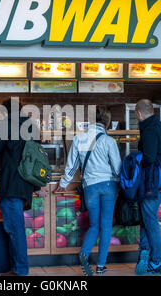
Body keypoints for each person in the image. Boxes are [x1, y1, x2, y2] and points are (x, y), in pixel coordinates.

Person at [0, 98, 46, 276]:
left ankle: (21, 270)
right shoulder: (32, 126)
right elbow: (36, 157)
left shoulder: (5, 125)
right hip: (26, 184)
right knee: (15, 229)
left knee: (15, 230)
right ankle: (16, 268)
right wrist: (36, 186)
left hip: (11, 183)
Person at [54, 106, 121, 276]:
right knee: (105, 226)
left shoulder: (79, 138)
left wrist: (63, 183)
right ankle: (100, 266)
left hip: (89, 187)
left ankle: (84, 254)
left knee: (94, 225)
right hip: (108, 186)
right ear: (106, 123)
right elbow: (118, 168)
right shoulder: (109, 141)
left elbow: (71, 166)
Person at [134, 99, 161, 275]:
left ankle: (157, 262)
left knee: (150, 220)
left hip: (153, 183)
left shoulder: (149, 130)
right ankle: (145, 254)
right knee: (146, 218)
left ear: (139, 113)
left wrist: (134, 160)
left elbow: (148, 158)